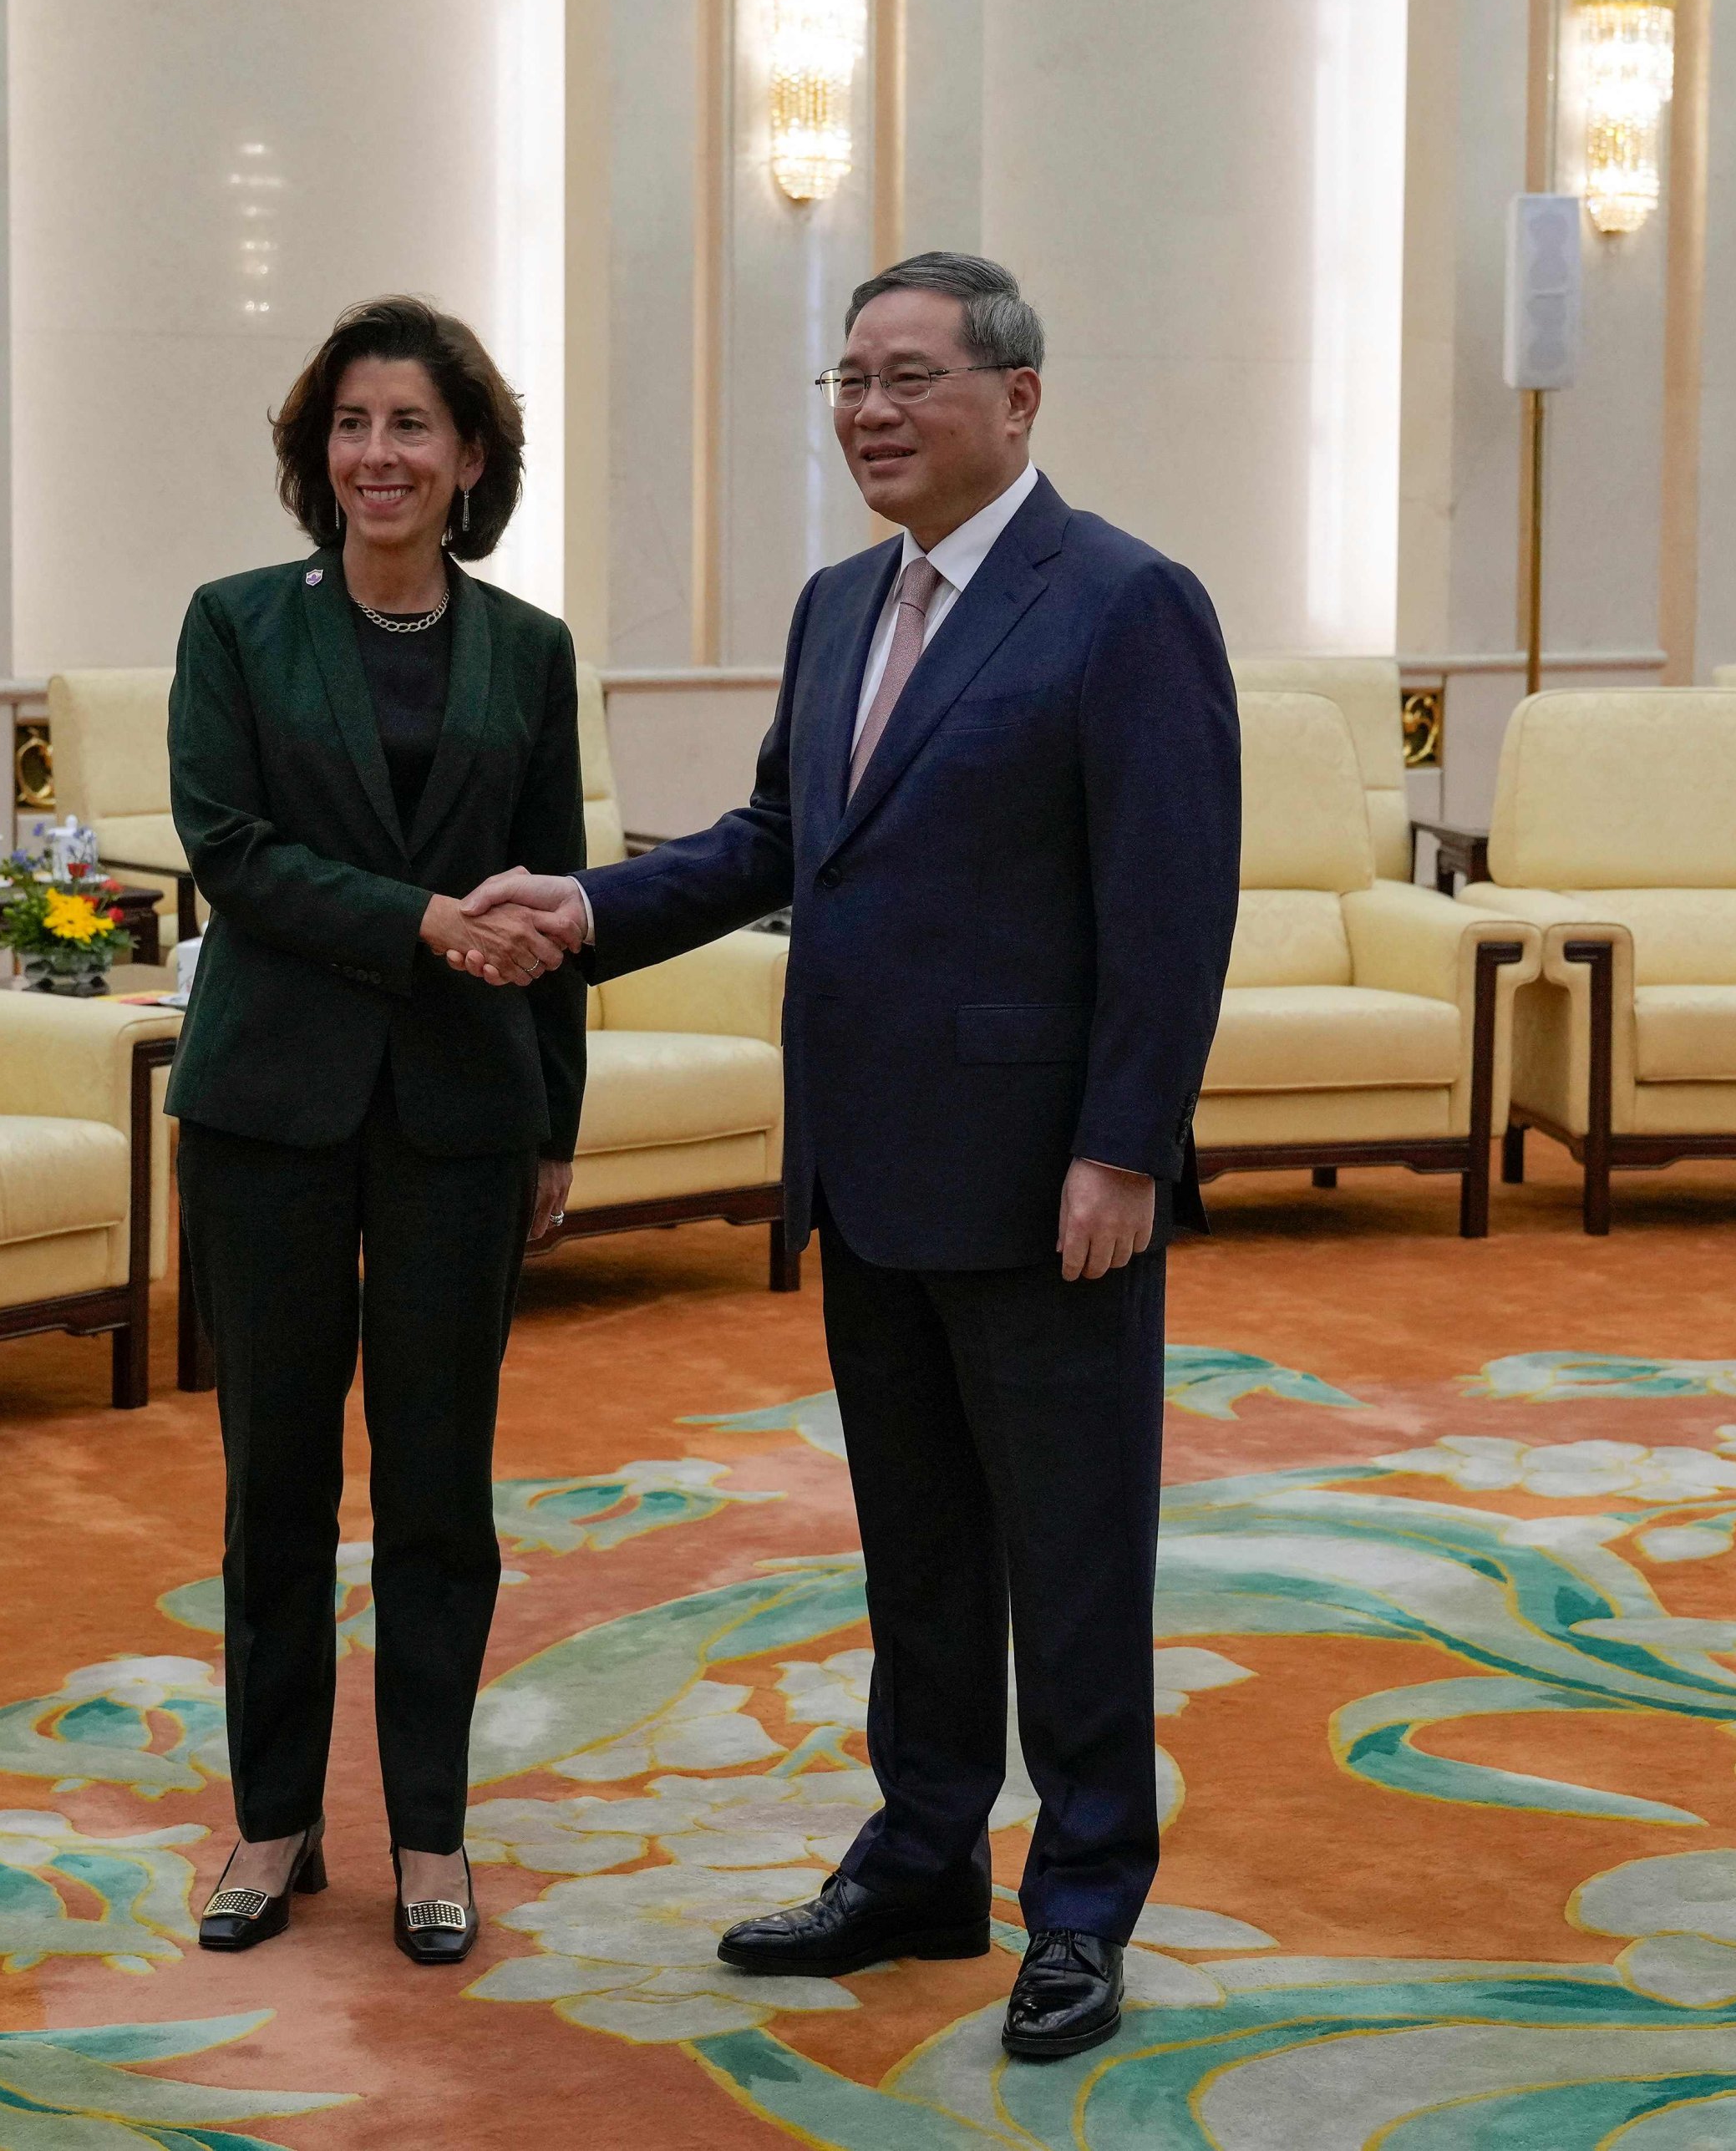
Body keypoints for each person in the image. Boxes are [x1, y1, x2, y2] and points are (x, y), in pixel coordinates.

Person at [456, 252, 1239, 2059]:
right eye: (846, 380)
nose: (868, 412)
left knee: (1071, 1552)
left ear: (1017, 397)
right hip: (871, 1168)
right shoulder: (833, 607)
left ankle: (1084, 1902)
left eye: (907, 378)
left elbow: (1169, 905)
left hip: (1050, 1185)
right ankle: (920, 1855)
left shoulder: (1122, 604)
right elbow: (771, 843)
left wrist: (1124, 1147)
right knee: (919, 1549)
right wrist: (583, 903)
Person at [164, 296, 585, 1968]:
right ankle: (272, 1825)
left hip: (464, 1117)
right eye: (349, 425)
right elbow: (232, 853)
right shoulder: (236, 628)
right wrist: (419, 922)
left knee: (435, 1490)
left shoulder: (528, 654)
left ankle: (429, 1832)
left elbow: (554, 904)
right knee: (273, 1481)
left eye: (411, 426)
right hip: (267, 1108)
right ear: (313, 453)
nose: (376, 455)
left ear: (469, 457)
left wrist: (555, 1118)